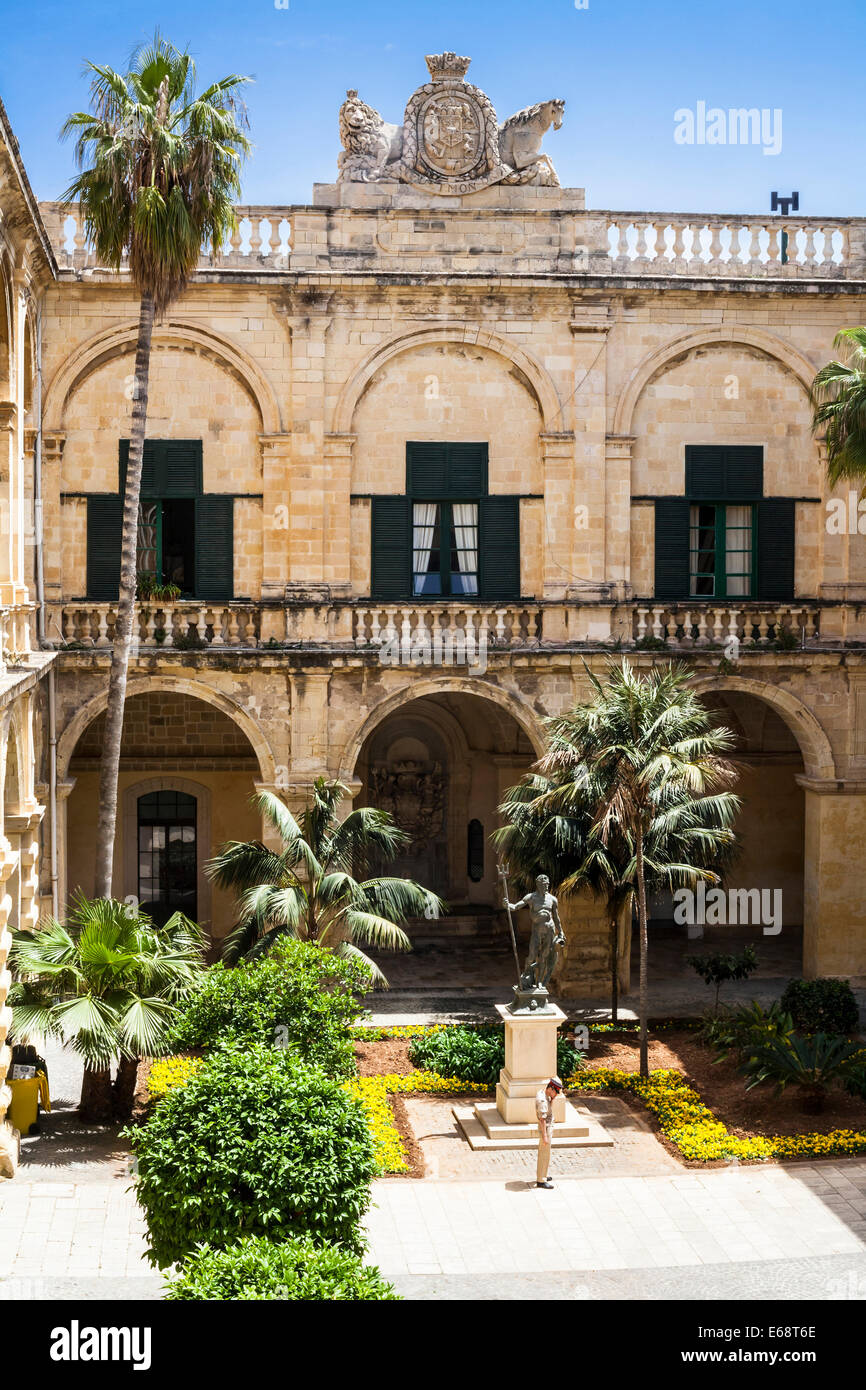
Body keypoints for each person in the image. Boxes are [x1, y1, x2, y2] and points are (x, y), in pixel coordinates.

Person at [535, 1076, 563, 1189]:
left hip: (547, 1126)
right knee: (544, 1154)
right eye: (556, 1092)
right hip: (545, 1128)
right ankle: (541, 1180)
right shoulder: (543, 1101)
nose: (556, 1095)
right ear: (551, 1088)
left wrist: (553, 1100)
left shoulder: (544, 1094)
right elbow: (542, 1119)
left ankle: (543, 1175)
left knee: (546, 1153)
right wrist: (545, 1136)